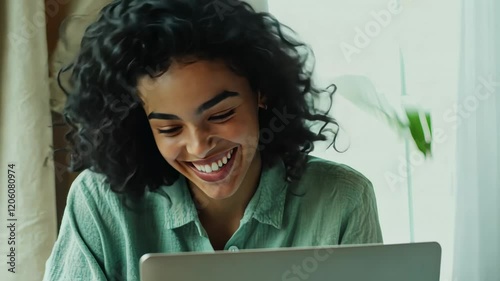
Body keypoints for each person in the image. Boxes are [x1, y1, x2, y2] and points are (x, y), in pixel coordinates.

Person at [43, 0, 383, 280]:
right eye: (170, 129)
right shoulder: (100, 202)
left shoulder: (343, 200)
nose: (199, 146)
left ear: (261, 93)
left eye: (220, 116)